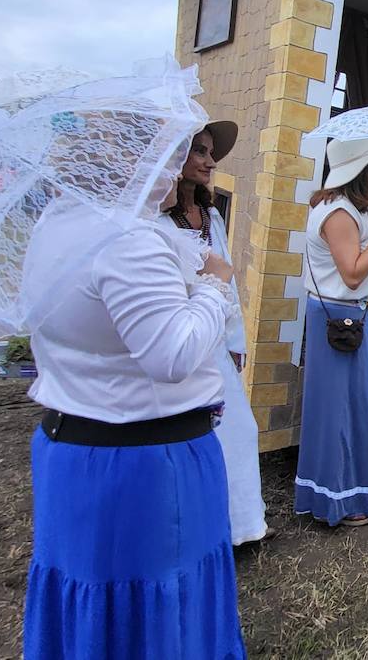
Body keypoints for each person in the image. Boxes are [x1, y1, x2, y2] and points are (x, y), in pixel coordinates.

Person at [19, 139, 246, 652]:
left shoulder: (55, 227)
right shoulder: (129, 240)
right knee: (160, 614)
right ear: (134, 160)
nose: (180, 167)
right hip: (146, 464)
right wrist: (213, 286)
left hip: (73, 448)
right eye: (172, 152)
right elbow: (172, 355)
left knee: (92, 604)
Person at [159, 120, 275, 547]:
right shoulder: (157, 224)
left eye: (210, 153)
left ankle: (242, 524)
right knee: (194, 441)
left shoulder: (210, 215)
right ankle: (204, 531)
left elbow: (228, 282)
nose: (210, 162)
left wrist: (236, 340)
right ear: (177, 160)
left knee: (239, 430)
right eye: (200, 153)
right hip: (183, 340)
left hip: (217, 342)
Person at [298, 138, 368, 527]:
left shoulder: (344, 207)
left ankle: (354, 489)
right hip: (343, 320)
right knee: (343, 409)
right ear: (357, 173)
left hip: (356, 317)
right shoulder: (337, 213)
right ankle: (338, 499)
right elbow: (353, 275)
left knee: (357, 404)